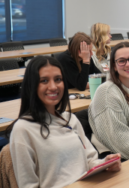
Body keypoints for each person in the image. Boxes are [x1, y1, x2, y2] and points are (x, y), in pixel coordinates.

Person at [7, 56, 121, 188]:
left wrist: (104, 163)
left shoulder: (70, 119)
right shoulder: (23, 129)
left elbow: (90, 160)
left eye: (58, 79)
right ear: (32, 85)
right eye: (44, 81)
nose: (53, 86)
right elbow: (28, 185)